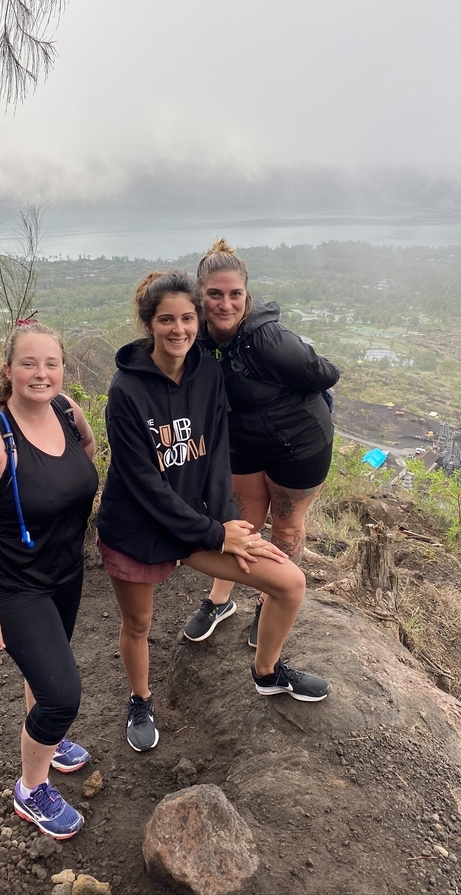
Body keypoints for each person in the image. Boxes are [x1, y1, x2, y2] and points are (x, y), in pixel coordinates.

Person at [96, 270, 331, 754]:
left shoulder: (206, 372)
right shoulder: (126, 391)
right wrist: (215, 532)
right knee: (138, 624)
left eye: (187, 318)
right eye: (166, 320)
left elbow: (218, 454)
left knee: (289, 582)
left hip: (196, 526)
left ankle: (267, 672)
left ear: (197, 321)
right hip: (137, 527)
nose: (178, 329)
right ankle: (140, 698)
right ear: (149, 324)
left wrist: (226, 519)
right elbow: (143, 485)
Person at [0, 320, 98, 840]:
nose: (41, 373)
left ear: (62, 369)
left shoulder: (65, 411)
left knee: (44, 676)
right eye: (29, 363)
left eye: (51, 363)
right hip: (16, 588)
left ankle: (49, 743)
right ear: (9, 369)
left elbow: (87, 452)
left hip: (65, 575)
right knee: (62, 696)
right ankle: (30, 788)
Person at [182, 239, 341, 648]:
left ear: (246, 295)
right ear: (201, 296)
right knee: (243, 525)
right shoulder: (194, 334)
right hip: (243, 444)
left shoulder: (266, 338)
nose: (225, 304)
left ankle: (270, 602)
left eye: (235, 294)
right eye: (215, 294)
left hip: (300, 443)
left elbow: (324, 373)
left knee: (286, 528)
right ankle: (220, 600)